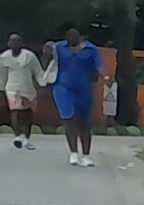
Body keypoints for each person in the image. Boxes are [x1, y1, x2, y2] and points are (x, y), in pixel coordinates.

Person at [50, 29, 104, 166]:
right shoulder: (59, 48)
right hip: (63, 88)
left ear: (80, 37)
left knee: (84, 122)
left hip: (84, 89)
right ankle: (73, 153)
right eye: (69, 36)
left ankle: (86, 155)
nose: (71, 38)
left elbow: (100, 65)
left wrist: (106, 77)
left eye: (74, 36)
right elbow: (49, 60)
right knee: (69, 118)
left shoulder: (91, 49)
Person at [0, 32, 40, 148]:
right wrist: (1, 90)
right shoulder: (4, 58)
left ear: (22, 43)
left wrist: (42, 84)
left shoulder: (30, 56)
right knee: (15, 112)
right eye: (12, 41)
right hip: (12, 89)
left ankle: (27, 139)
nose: (14, 43)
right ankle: (17, 137)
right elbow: (2, 76)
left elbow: (37, 72)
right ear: (8, 43)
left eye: (17, 41)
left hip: (28, 89)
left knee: (27, 115)